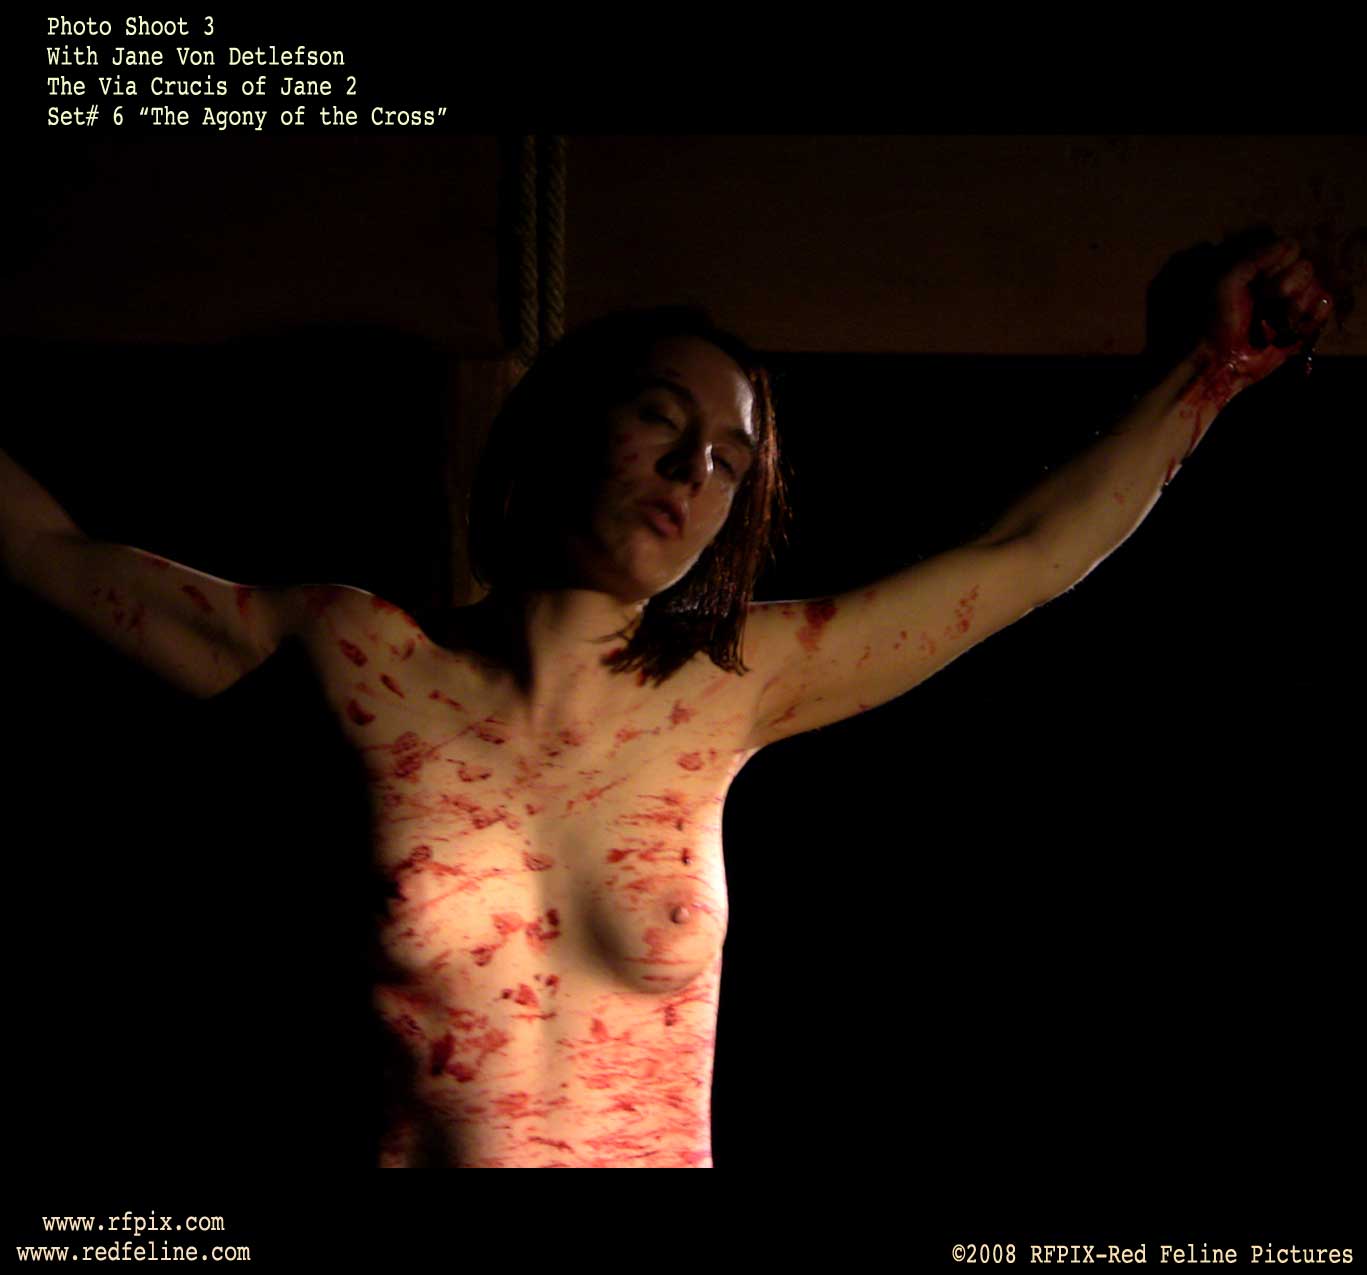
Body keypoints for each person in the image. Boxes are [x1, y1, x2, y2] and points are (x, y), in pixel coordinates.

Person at [0, 235, 1333, 1168]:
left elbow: (1027, 557)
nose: (697, 469)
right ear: (559, 431)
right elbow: (50, 555)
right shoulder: (363, 662)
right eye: (660, 418)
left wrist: (1210, 375)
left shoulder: (732, 686)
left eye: (732, 460)